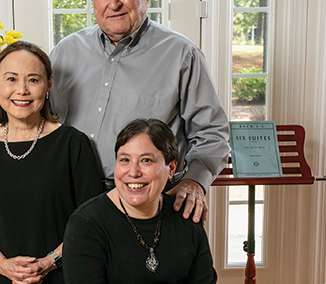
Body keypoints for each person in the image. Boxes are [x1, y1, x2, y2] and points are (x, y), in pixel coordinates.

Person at [0, 0, 230, 224]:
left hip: (144, 200)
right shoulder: (65, 53)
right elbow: (35, 116)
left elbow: (212, 133)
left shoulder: (181, 55)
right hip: (67, 200)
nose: (112, 3)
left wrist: (194, 182)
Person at [0, 41, 104, 284]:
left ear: (48, 84)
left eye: (33, 80)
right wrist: (4, 266)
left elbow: (91, 222)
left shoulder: (73, 144)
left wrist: (48, 263)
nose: (22, 90)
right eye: (11, 79)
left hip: (60, 277)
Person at [62, 118, 217, 283]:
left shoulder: (186, 217)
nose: (133, 172)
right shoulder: (86, 224)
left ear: (171, 168)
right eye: (125, 160)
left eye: (146, 160)